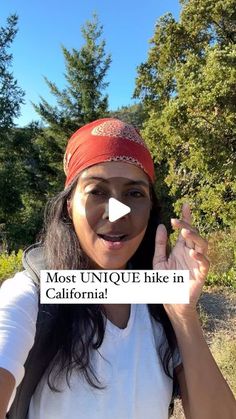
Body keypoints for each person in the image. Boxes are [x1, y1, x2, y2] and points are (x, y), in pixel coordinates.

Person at [0, 118, 235, 419]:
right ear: (70, 205)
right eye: (97, 191)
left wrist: (183, 315)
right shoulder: (31, 293)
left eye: (134, 194)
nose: (116, 212)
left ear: (150, 208)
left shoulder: (156, 299)